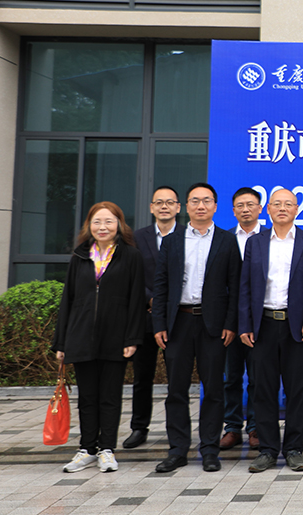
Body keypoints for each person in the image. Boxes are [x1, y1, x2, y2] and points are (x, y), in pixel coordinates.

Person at [152, 182, 241, 473]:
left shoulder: (227, 241)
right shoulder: (172, 241)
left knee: (213, 389)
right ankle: (177, 450)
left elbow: (235, 287)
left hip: (212, 325)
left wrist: (230, 324)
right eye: (195, 201)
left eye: (206, 201)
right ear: (186, 206)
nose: (201, 206)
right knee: (176, 389)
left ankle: (210, 450)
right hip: (178, 322)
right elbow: (161, 285)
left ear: (215, 206)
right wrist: (159, 324)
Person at [53, 201, 145, 473]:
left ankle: (107, 449)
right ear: (89, 226)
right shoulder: (79, 257)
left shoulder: (131, 256)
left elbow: (136, 301)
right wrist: (61, 342)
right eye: (97, 222)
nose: (102, 227)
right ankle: (87, 449)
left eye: (109, 221)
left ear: (119, 225)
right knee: (87, 397)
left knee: (110, 397)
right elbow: (68, 301)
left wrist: (132, 338)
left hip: (115, 337)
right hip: (81, 337)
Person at [239, 189, 303, 473]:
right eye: (277, 204)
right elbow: (245, 285)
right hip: (263, 325)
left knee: (298, 390)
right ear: (268, 209)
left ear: (297, 209)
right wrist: (245, 324)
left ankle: (294, 448)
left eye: (288, 204)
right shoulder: (256, 242)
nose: (282, 208)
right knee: (263, 389)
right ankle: (268, 449)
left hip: (298, 327)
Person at [124, 186, 184, 450]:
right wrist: (153, 301)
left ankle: (177, 430)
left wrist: (168, 304)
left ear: (178, 207)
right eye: (159, 202)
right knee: (142, 376)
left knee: (177, 379)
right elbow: (132, 276)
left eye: (169, 202)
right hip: (146, 316)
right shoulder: (137, 238)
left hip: (178, 319)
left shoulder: (188, 235)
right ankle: (139, 427)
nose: (164, 207)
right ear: (151, 207)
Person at [221, 187, 262, 452]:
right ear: (233, 210)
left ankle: (256, 427)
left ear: (260, 208)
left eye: (250, 205)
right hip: (230, 320)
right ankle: (232, 427)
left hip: (260, 321)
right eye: (240, 205)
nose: (245, 209)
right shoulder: (224, 239)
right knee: (231, 377)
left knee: (258, 377)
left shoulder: (270, 237)